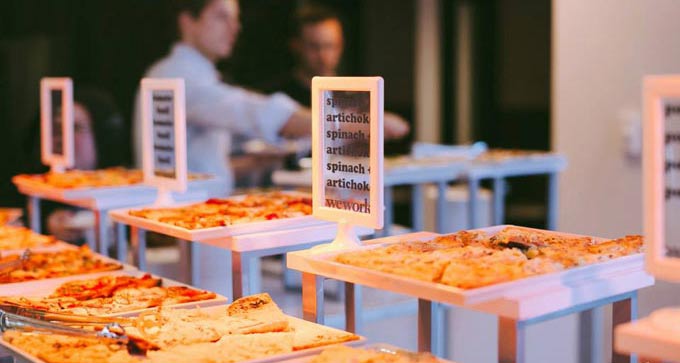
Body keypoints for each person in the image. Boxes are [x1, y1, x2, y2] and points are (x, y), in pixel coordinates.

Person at [134, 0, 409, 195]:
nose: (235, 27)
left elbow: (202, 164)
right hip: (186, 224)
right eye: (221, 16)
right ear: (188, 22)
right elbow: (252, 111)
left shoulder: (184, 73)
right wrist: (363, 121)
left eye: (236, 17)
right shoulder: (177, 76)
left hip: (198, 215)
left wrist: (259, 162)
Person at [24, 86, 126, 243]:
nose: (64, 138)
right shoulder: (37, 185)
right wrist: (48, 224)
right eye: (58, 128)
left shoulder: (128, 188)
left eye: (76, 128)